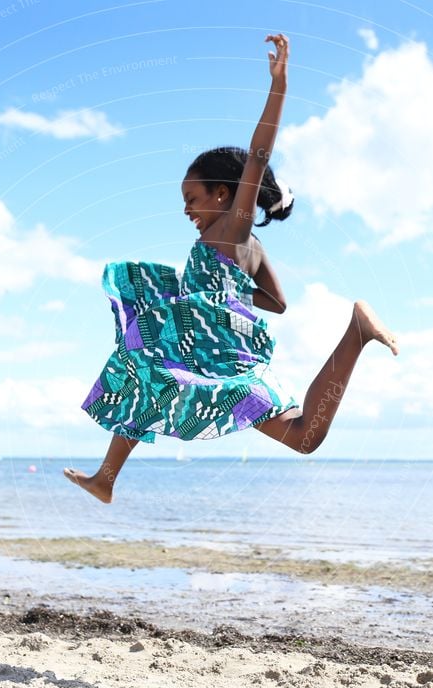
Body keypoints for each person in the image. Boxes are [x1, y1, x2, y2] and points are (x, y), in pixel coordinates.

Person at [64, 33, 398, 503]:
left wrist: (278, 85)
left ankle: (106, 477)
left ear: (223, 195)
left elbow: (257, 155)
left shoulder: (231, 229)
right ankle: (105, 479)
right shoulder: (251, 246)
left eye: (191, 199)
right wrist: (224, 298)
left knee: (144, 356)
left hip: (216, 357)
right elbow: (277, 303)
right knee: (302, 436)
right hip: (220, 358)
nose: (187, 211)